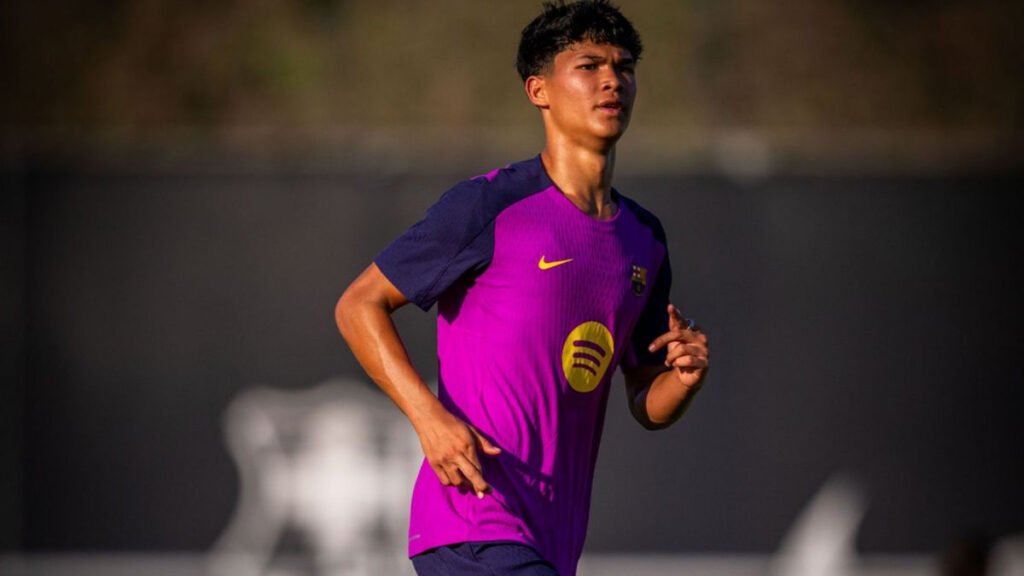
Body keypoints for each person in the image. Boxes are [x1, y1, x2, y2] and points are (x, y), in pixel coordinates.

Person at [334, 1, 710, 574]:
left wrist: (682, 380)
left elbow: (645, 399)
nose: (612, 79)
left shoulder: (644, 238)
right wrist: (428, 419)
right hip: (473, 521)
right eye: (588, 65)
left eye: (624, 66)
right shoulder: (490, 204)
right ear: (540, 90)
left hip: (552, 541)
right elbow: (358, 305)